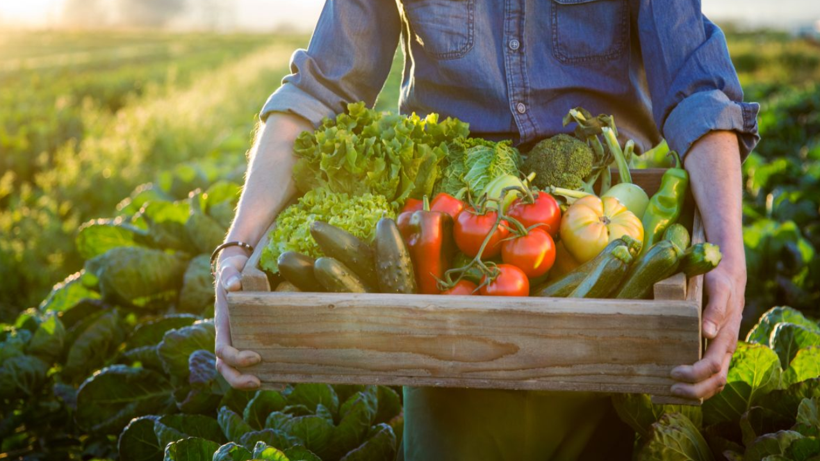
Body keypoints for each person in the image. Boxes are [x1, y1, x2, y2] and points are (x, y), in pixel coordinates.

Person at [213, 0, 758, 459]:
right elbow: (315, 93)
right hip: (448, 278)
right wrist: (238, 247)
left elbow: (698, 89)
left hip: (610, 245)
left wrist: (729, 256)